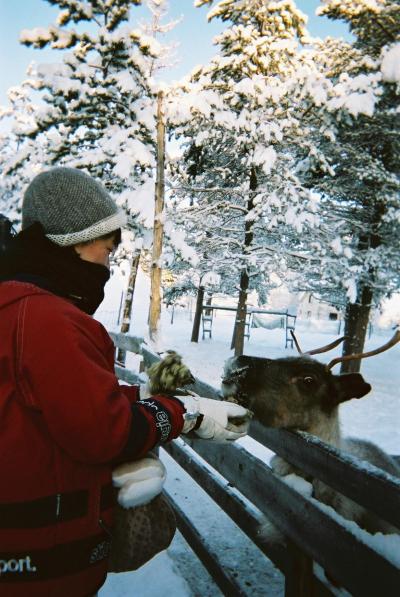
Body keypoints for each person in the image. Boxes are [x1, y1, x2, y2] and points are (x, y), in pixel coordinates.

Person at [0, 167, 251, 597]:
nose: (109, 267)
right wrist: (183, 413)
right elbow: (105, 432)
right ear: (74, 242)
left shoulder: (15, 307)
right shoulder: (49, 320)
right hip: (43, 564)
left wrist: (143, 398)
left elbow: (51, 403)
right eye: (106, 251)